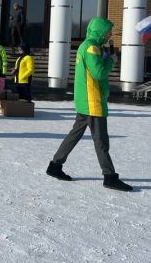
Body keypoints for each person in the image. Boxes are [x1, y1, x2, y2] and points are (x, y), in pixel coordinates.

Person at [46, 17, 133, 192]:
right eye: (108, 31)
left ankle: (55, 165)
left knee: (75, 134)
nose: (110, 34)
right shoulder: (92, 47)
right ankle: (109, 176)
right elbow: (99, 73)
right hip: (93, 101)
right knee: (101, 141)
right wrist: (111, 61)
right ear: (100, 31)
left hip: (85, 100)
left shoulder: (88, 46)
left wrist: (105, 56)